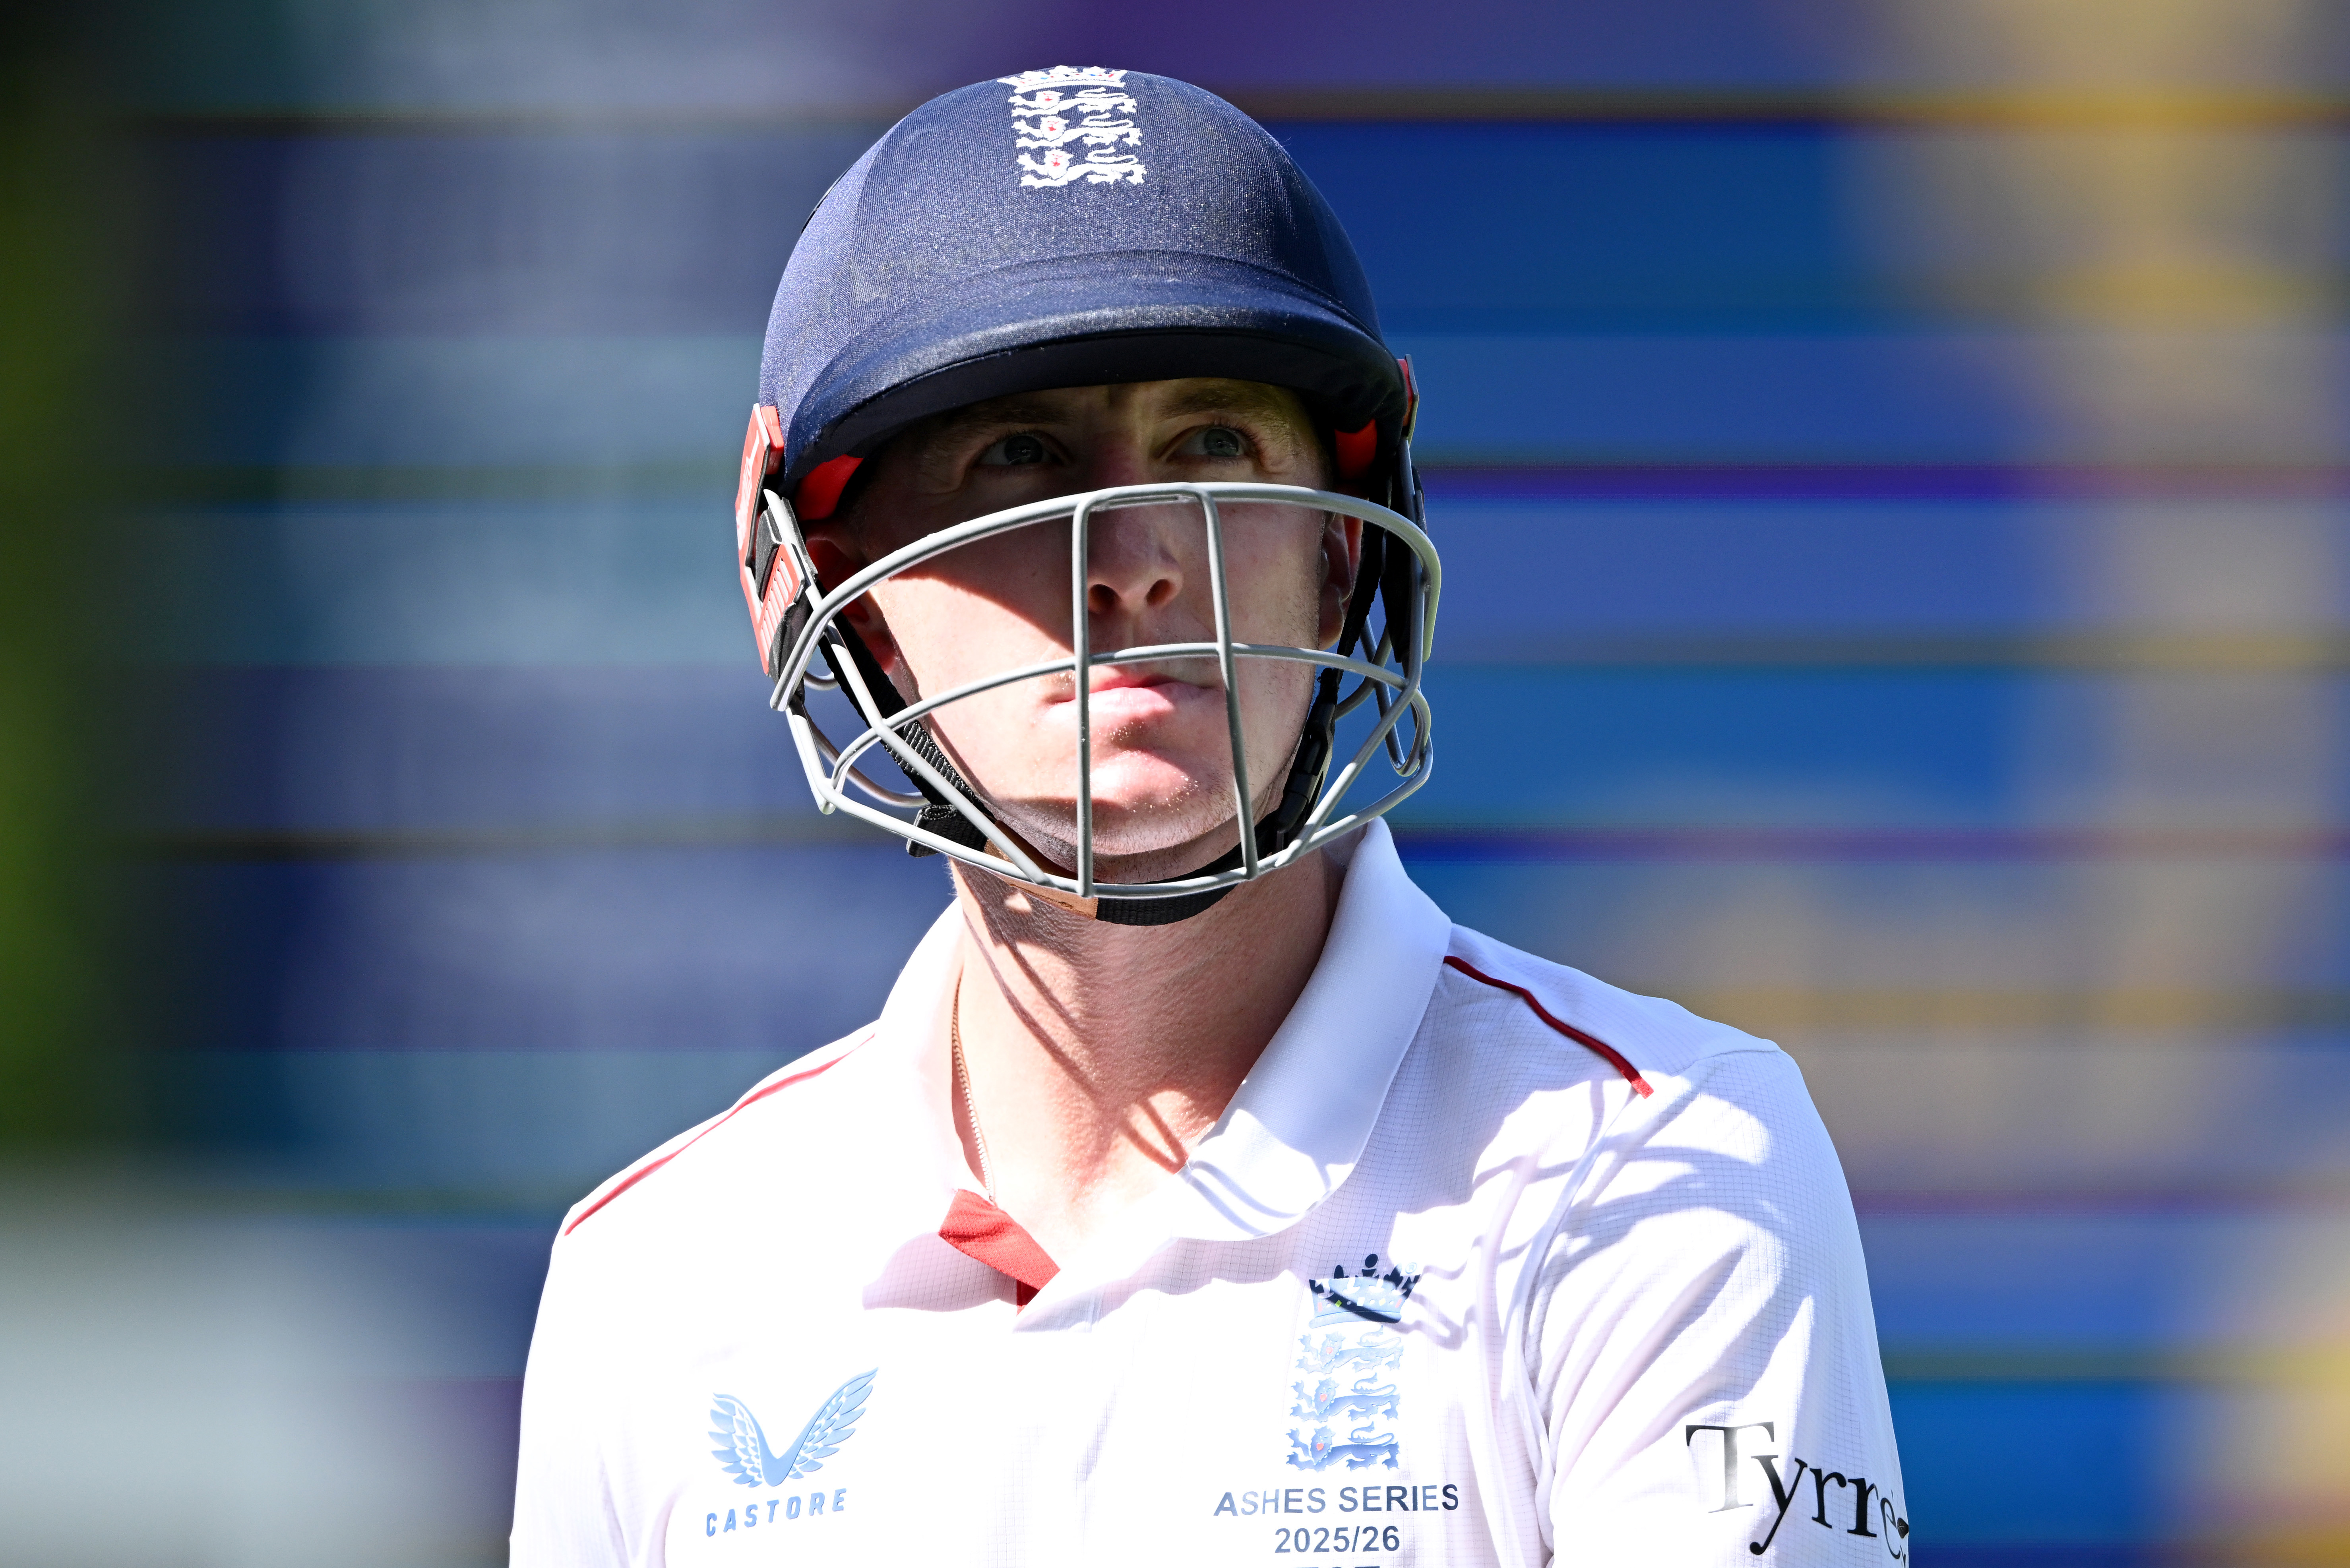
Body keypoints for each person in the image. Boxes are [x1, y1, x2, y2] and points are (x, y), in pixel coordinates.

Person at [511, 67, 1907, 1566]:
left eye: (1217, 443)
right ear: (809, 566)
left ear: (1341, 551)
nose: (1138, 559)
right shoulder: (654, 1281)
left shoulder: (1656, 1164)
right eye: (1017, 453)